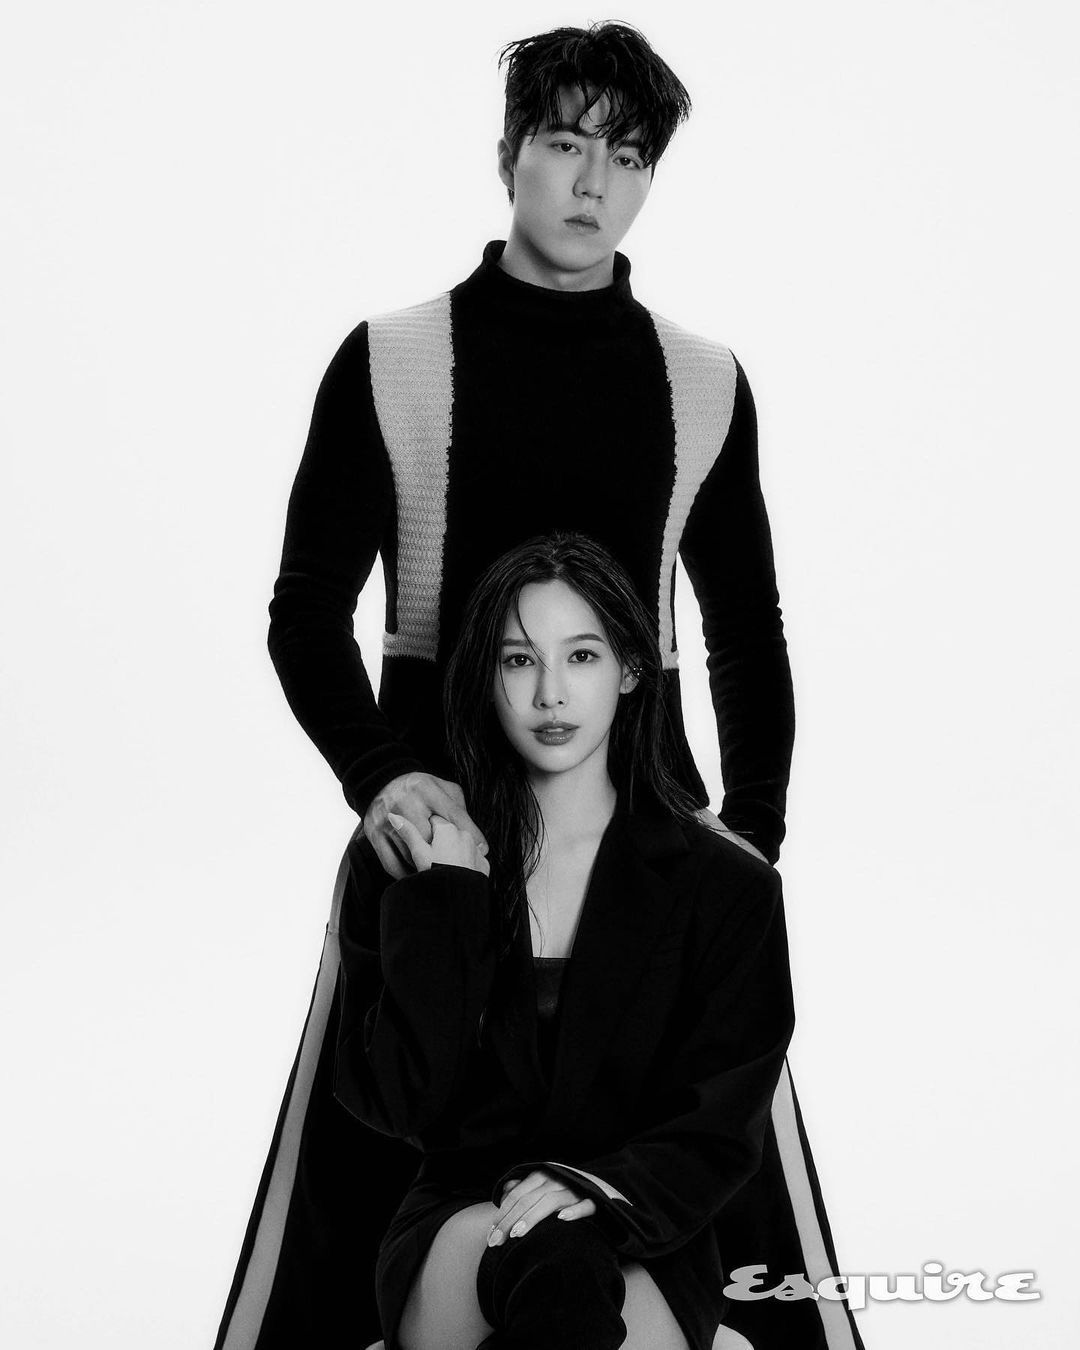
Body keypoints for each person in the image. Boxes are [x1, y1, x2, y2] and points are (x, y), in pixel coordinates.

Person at [214, 22, 863, 1350]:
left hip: (646, 839)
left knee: (718, 1160)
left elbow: (745, 625)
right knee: (359, 1173)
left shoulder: (701, 379)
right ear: (507, 154)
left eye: (626, 157)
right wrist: (381, 778)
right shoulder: (395, 357)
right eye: (565, 144)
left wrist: (755, 826)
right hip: (441, 842)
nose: (591, 183)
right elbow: (302, 612)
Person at [336, 530, 796, 1350]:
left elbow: (721, 1126)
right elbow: (396, 1102)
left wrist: (593, 1186)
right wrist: (446, 901)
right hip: (462, 1221)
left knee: (568, 1267)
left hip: (642, 1224)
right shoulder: (408, 860)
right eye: (519, 661)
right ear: (486, 677)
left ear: (631, 669)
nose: (551, 694)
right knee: (553, 1258)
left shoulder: (729, 886)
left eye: (581, 656)